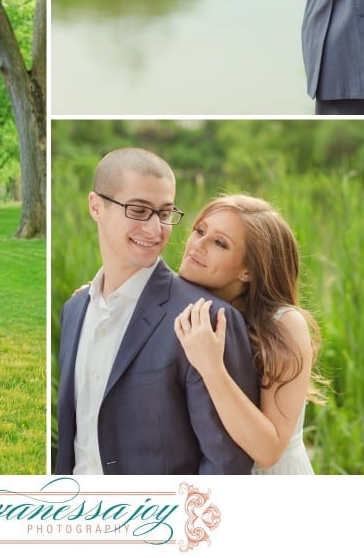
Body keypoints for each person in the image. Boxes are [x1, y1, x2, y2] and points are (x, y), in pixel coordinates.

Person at [55, 147, 260, 475]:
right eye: (138, 210)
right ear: (96, 206)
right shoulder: (74, 310)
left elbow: (227, 463)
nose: (155, 229)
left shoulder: (204, 319)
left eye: (164, 214)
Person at [173, 195, 324, 475]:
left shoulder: (284, 325)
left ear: (248, 270)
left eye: (220, 243)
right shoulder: (185, 303)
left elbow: (269, 451)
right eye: (200, 230)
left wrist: (212, 368)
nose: (197, 245)